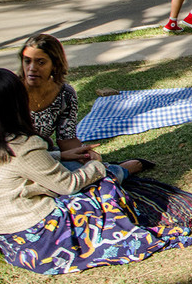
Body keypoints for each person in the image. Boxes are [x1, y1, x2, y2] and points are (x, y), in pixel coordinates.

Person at [0, 69, 192, 275]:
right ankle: (121, 171)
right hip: (39, 237)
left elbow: (9, 164)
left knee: (76, 167)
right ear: (17, 103)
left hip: (4, 237)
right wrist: (96, 165)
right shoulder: (23, 144)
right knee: (101, 187)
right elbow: (68, 185)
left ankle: (117, 171)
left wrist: (60, 155)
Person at [19, 33, 147, 182]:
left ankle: (113, 172)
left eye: (41, 62)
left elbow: (67, 140)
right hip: (14, 162)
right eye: (27, 61)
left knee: (83, 170)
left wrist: (85, 154)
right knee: (74, 182)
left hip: (46, 156)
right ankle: (118, 172)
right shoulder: (10, 91)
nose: (32, 68)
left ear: (55, 65)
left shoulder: (65, 94)